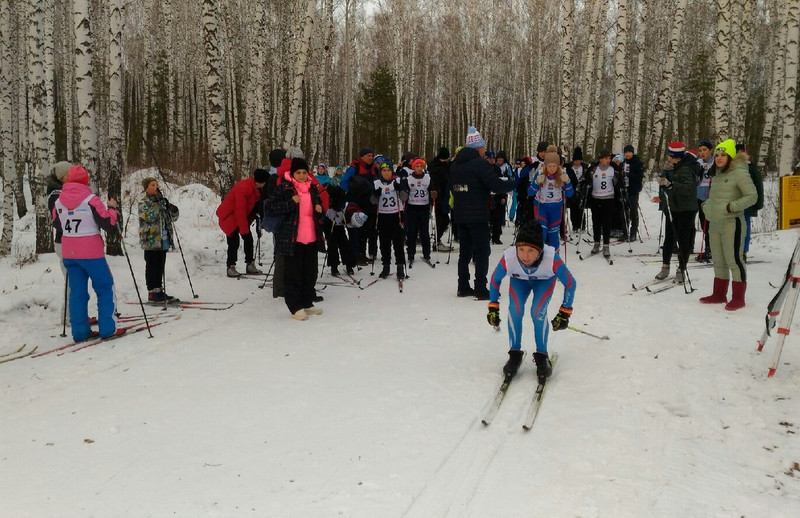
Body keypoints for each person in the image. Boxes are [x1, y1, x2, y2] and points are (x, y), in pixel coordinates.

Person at [486, 222, 576, 383]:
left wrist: (565, 312)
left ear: (540, 250)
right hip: (520, 282)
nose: (525, 256)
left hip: (544, 282)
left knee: (537, 312)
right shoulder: (510, 257)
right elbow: (494, 280)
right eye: (521, 249)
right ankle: (514, 354)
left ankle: (542, 355)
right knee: (515, 310)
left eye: (531, 251)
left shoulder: (551, 258)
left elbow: (570, 283)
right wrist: (493, 307)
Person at [51, 165, 120, 342]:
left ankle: (80, 332)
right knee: (105, 287)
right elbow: (108, 223)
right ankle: (107, 329)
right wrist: (112, 209)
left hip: (69, 252)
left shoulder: (58, 201)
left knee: (77, 292)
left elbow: (57, 224)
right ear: (86, 181)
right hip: (91, 252)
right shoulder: (91, 199)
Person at [449, 126, 514, 299]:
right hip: (477, 214)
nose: (485, 151)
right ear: (478, 148)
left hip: (460, 214)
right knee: (483, 251)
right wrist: (515, 183)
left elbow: (454, 187)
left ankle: (463, 286)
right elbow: (496, 185)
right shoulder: (479, 164)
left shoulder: (455, 164)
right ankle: (480, 287)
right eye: (483, 147)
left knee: (465, 252)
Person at [699, 139, 757, 310]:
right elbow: (714, 196)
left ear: (731, 156)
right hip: (715, 223)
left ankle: (738, 297)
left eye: (723, 155)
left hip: (732, 222)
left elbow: (752, 196)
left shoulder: (740, 173)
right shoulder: (717, 173)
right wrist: (706, 207)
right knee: (718, 259)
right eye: (717, 155)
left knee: (734, 260)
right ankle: (719, 294)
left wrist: (731, 207)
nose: (719, 158)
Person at [266, 158, 326, 321]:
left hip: (311, 238)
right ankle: (295, 306)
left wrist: (320, 210)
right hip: (292, 238)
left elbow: (319, 211)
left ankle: (307, 303)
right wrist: (290, 203)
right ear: (292, 173)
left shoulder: (313, 188)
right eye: (298, 172)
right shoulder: (285, 188)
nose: (301, 175)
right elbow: (269, 207)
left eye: (304, 172)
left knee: (309, 272)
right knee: (293, 273)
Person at [654, 142, 699, 283]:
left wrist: (670, 184)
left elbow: (688, 189)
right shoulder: (675, 166)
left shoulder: (686, 168)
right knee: (669, 238)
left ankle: (681, 269)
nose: (667, 157)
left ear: (675, 156)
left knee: (683, 240)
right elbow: (670, 188)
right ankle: (665, 266)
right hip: (673, 208)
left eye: (669, 155)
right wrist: (663, 194)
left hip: (685, 209)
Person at [216, 168, 268, 277]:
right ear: (262, 182)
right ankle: (230, 266)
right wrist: (244, 230)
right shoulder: (244, 188)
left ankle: (250, 264)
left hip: (239, 217)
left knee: (248, 239)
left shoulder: (257, 188)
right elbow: (240, 210)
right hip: (229, 217)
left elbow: (253, 206)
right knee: (234, 241)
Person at [138, 177, 180, 302]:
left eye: (156, 184)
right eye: (152, 185)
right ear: (146, 188)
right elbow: (148, 216)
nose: (156, 187)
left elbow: (172, 217)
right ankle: (152, 291)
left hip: (163, 238)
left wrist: (172, 209)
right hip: (151, 239)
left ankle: (159, 289)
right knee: (152, 265)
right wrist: (159, 205)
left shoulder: (161, 201)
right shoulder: (143, 202)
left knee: (160, 264)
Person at [529, 148, 573, 252]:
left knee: (554, 235)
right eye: (549, 166)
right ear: (545, 165)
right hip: (542, 207)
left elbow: (570, 194)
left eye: (554, 166)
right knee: (542, 234)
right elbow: (530, 192)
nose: (552, 168)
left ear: (558, 165)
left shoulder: (562, 174)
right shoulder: (540, 173)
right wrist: (536, 182)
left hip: (556, 208)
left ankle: (555, 260)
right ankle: (540, 258)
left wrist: (568, 182)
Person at [341, 147, 378, 264]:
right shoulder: (354, 168)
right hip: (357, 202)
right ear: (362, 156)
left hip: (370, 203)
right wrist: (351, 193)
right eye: (368, 156)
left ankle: (362, 253)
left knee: (367, 230)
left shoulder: (373, 169)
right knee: (357, 229)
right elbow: (343, 182)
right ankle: (355, 255)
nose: (371, 158)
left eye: (372, 156)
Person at [372, 162, 408, 279]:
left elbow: (405, 198)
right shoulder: (376, 183)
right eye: (384, 171)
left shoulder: (397, 181)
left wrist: (400, 190)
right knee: (384, 243)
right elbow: (372, 201)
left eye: (388, 170)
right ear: (380, 172)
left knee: (398, 243)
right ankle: (386, 266)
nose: (386, 173)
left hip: (396, 215)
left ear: (392, 172)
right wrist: (376, 195)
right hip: (383, 216)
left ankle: (400, 267)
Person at [47, 161, 73, 325]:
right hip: (64, 242)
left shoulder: (62, 191)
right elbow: (58, 220)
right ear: (62, 176)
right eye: (69, 174)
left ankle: (76, 314)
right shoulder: (55, 194)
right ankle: (68, 317)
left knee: (75, 281)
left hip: (70, 241)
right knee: (71, 281)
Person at [587, 150, 621, 258]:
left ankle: (606, 245)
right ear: (600, 159)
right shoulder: (593, 168)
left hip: (609, 198)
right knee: (596, 222)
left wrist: (618, 177)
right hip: (595, 198)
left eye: (609, 159)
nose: (608, 160)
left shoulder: (612, 168)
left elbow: (617, 182)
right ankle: (596, 243)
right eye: (606, 158)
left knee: (607, 222)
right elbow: (587, 180)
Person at [735, 143, 764, 261]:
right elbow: (759, 186)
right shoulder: (748, 168)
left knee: (741, 229)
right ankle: (740, 251)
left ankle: (741, 251)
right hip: (740, 204)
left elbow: (758, 186)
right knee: (741, 229)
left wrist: (758, 203)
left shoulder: (749, 169)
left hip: (742, 204)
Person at [405, 157, 435, 265]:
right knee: (412, 232)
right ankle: (411, 254)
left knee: (424, 233)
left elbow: (432, 189)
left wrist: (433, 194)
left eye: (421, 166)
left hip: (424, 207)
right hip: (412, 207)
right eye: (417, 166)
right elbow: (405, 192)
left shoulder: (427, 177)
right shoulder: (409, 178)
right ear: (413, 167)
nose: (419, 168)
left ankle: (426, 254)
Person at [515, 141, 548, 227]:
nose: (543, 154)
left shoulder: (549, 162)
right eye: (542, 151)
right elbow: (522, 174)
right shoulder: (532, 160)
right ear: (538, 151)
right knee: (529, 216)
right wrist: (530, 166)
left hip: (544, 193)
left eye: (545, 152)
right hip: (531, 192)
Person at [427, 146, 452, 251]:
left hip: (445, 195)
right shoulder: (435, 166)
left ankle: (437, 240)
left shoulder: (445, 165)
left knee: (444, 219)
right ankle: (436, 241)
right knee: (442, 219)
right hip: (438, 195)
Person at [695, 139, 715, 261]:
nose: (702, 153)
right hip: (698, 196)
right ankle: (708, 246)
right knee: (703, 224)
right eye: (700, 150)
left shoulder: (715, 161)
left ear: (710, 150)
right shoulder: (698, 162)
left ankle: (710, 248)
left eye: (705, 150)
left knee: (710, 224)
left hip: (711, 197)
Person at [621, 144, 644, 241]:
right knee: (624, 211)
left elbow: (639, 177)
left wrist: (628, 174)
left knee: (633, 212)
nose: (627, 154)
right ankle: (625, 232)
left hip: (633, 190)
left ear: (633, 153)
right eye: (626, 152)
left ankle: (633, 233)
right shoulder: (623, 163)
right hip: (623, 189)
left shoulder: (637, 163)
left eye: (629, 152)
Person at [486, 150, 508, 245]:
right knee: (486, 218)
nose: (492, 160)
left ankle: (496, 237)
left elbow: (501, 182)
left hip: (497, 196)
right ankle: (486, 236)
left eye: (493, 158)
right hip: (486, 196)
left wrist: (503, 195)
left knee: (497, 218)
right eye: (490, 158)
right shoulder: (482, 168)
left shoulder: (497, 168)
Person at [565, 147, 588, 234]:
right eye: (575, 160)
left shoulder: (585, 167)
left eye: (579, 160)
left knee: (581, 207)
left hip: (582, 189)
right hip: (572, 189)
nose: (577, 162)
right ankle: (575, 225)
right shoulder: (570, 167)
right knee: (573, 208)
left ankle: (582, 225)